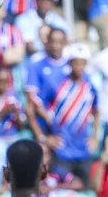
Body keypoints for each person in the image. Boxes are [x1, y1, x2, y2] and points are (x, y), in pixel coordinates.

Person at [33, 43, 100, 182]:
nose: (79, 67)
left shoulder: (90, 85)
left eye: (83, 63)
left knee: (87, 188)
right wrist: (44, 137)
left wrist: (95, 137)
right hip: (61, 150)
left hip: (83, 150)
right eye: (76, 63)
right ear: (70, 63)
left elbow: (97, 110)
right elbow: (34, 108)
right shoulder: (57, 84)